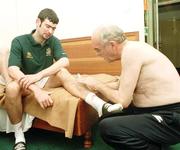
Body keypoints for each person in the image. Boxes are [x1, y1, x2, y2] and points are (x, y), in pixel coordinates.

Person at [6, 9, 122, 150]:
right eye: (47, 26)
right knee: (11, 88)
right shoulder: (19, 41)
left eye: (53, 28)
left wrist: (39, 75)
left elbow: (64, 61)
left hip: (44, 80)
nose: (50, 31)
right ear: (38, 22)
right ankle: (19, 136)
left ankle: (98, 104)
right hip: (26, 83)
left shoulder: (53, 41)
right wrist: (35, 89)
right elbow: (12, 69)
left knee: (62, 71)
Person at [77, 25, 180, 150]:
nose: (98, 54)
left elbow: (123, 101)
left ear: (112, 45)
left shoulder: (131, 52)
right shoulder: (132, 48)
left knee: (108, 128)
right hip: (151, 110)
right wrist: (93, 85)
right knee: (107, 116)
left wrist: (98, 84)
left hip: (171, 117)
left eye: (98, 50)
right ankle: (155, 141)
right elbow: (122, 85)